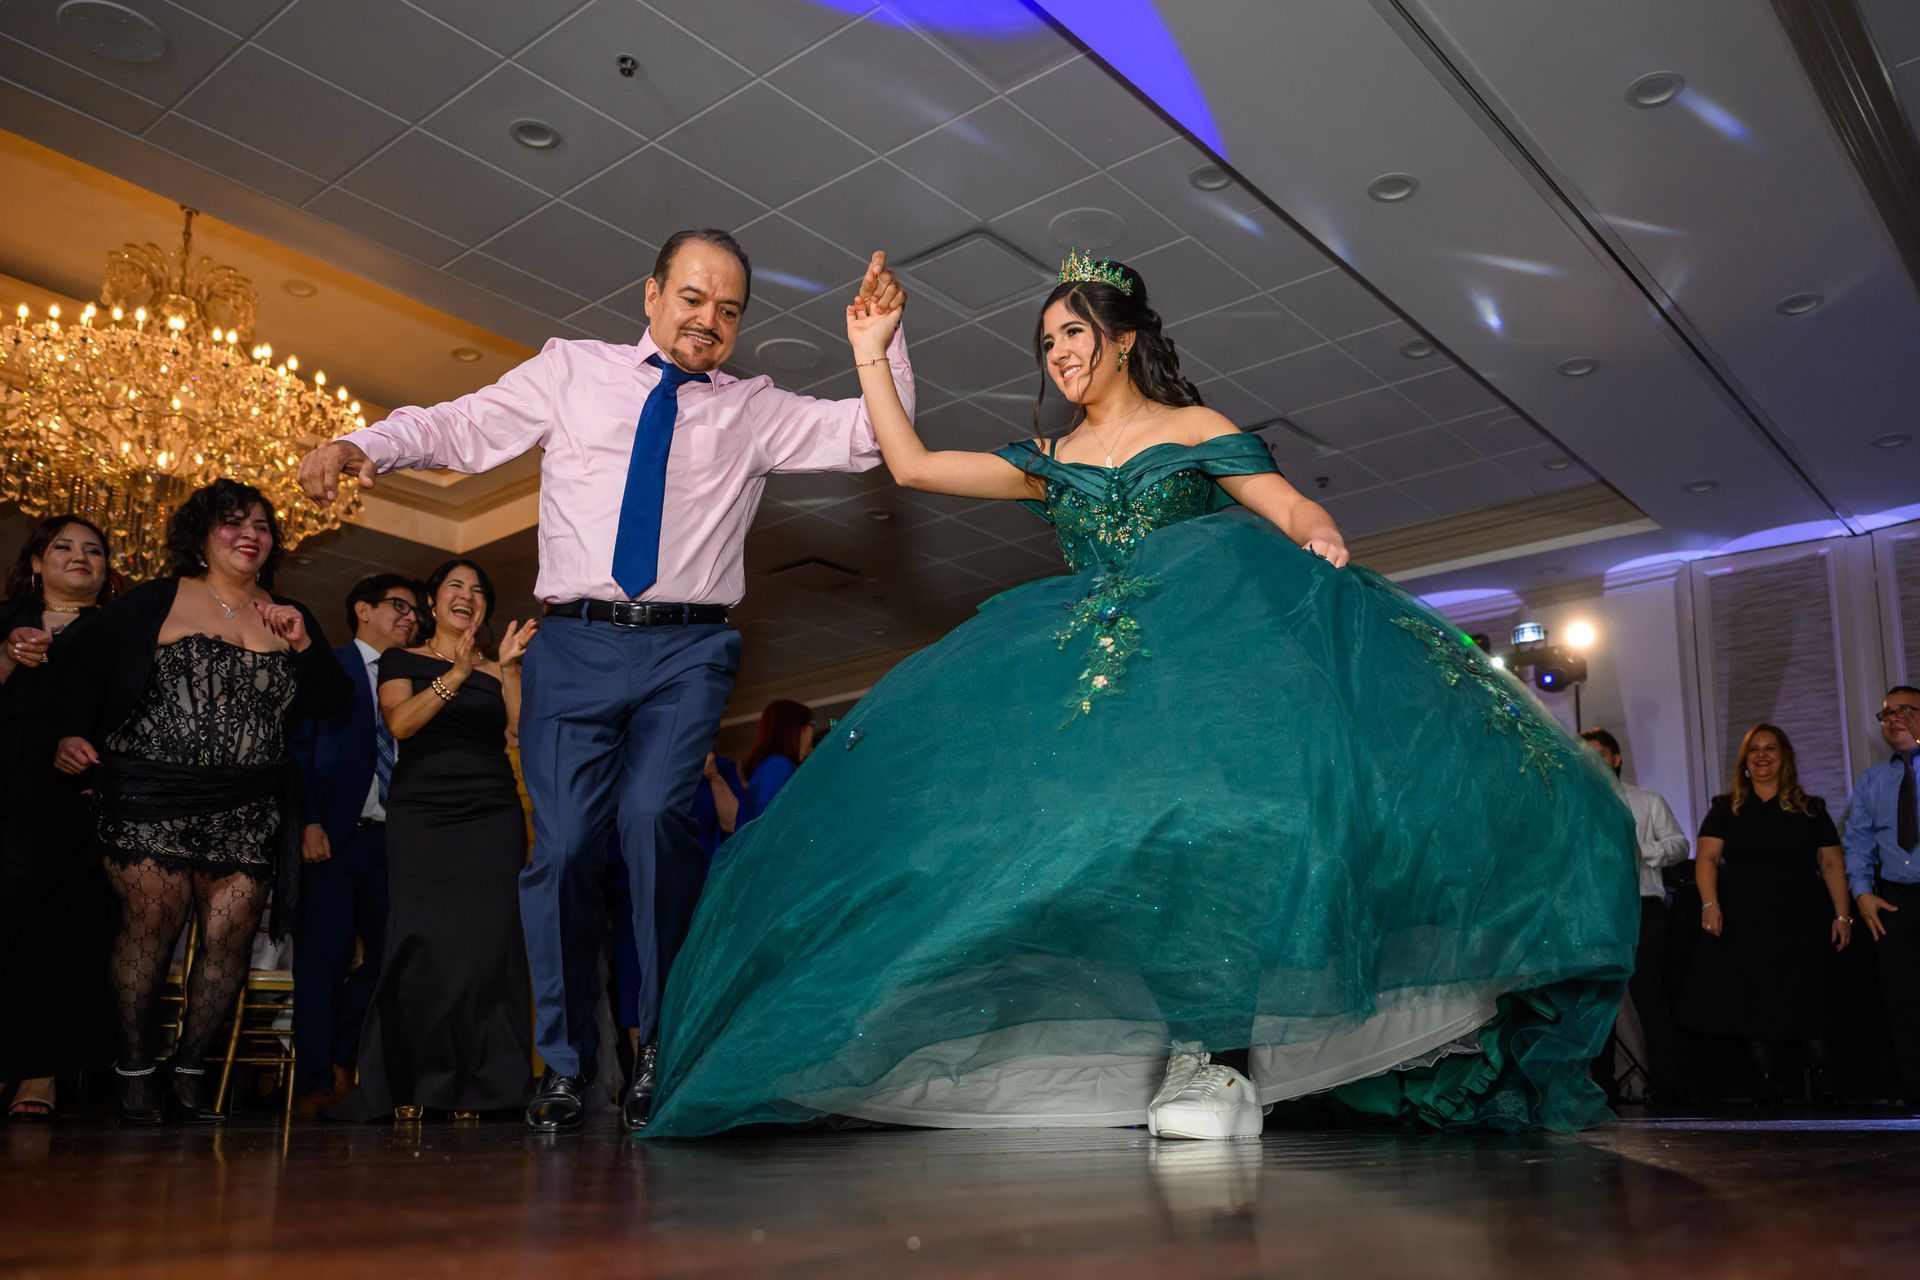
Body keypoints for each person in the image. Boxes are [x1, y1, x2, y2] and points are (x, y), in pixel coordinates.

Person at [643, 253, 1640, 1141]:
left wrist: (1319, 537)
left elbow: (1286, 501)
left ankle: (1213, 1054)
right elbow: (910, 463)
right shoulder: (1052, 462)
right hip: (1093, 690)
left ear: (1119, 340)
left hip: (1200, 678)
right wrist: (870, 346)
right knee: (1056, 850)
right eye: (1043, 342)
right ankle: (1095, 1042)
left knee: (1215, 840)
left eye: (1070, 332)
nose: (1056, 354)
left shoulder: (1197, 429)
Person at [297, 228, 913, 1133]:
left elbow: (870, 437)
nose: (710, 321)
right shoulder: (571, 370)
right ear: (653, 294)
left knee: (654, 819)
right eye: (694, 299)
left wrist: (881, 345)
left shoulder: (753, 407)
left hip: (687, 650)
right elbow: (463, 426)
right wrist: (369, 444)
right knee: (566, 848)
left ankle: (661, 1040)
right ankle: (564, 1058)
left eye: (730, 310)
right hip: (576, 643)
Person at [54, 480, 350, 1123]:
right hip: (149, 793)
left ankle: (190, 1070)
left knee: (228, 938)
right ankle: (133, 1071)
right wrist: (70, 732)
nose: (251, 534)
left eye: (263, 526)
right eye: (233, 522)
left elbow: (332, 701)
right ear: (201, 534)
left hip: (247, 804)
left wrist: (302, 643)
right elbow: (77, 662)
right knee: (150, 927)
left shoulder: (288, 611)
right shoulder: (157, 601)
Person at [329, 559, 537, 1121]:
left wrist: (510, 672)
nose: (467, 595)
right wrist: (458, 675)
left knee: (487, 942)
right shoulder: (403, 659)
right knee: (420, 937)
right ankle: (411, 1080)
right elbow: (400, 725)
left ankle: (483, 1085)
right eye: (456, 586)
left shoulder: (496, 669)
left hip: (491, 813)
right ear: (432, 600)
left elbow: (519, 736)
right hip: (422, 813)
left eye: (478, 590)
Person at [0, 516, 124, 1119]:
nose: (80, 556)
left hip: (86, 793)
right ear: (35, 561)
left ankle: (38, 1074)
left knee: (64, 932)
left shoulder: (121, 633)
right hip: (8, 782)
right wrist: (7, 656)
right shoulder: (5, 619)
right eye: (64, 546)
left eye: (94, 550)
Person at [287, 573, 421, 1113]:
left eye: (416, 611)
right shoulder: (328, 665)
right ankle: (316, 1080)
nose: (411, 617)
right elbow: (298, 748)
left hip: (396, 843)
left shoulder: (416, 675)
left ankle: (344, 1056)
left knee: (394, 957)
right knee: (322, 960)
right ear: (362, 609)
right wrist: (309, 821)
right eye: (399, 606)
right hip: (333, 839)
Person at [1677, 724, 1851, 1103]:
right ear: (1745, 761)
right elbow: (1706, 858)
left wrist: (1842, 915)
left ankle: (1822, 1077)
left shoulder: (1811, 807)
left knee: (1809, 993)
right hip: (1744, 917)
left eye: (1770, 749)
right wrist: (1710, 904)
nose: (1762, 755)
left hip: (1802, 916)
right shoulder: (1725, 807)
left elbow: (1833, 863)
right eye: (1754, 750)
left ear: (1784, 757)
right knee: (1754, 997)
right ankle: (1767, 1080)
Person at [1579, 728, 1689, 1102]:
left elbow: (1679, 844)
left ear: (1616, 759)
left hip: (1643, 907)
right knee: (1600, 998)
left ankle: (1669, 1085)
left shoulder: (1647, 801)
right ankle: (1603, 1086)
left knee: (1649, 996)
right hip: (1597, 910)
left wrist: (1642, 850)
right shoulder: (1576, 807)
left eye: (1600, 755)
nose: (1594, 762)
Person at [1844, 686, 1920, 1106]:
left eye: (1905, 710)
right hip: (1894, 901)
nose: (1893, 718)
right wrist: (1862, 894)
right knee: (1902, 998)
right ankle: (1915, 1087)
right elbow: (1857, 842)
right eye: (1887, 713)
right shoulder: (1873, 778)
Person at [739, 700, 814, 828]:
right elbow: (773, 824)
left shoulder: (771, 766)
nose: (812, 729)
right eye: (810, 723)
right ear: (795, 730)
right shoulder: (779, 767)